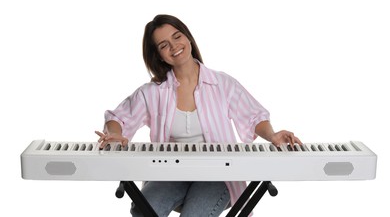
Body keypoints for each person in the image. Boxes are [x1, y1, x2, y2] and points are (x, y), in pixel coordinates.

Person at [95, 14, 302, 217]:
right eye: (164, 45)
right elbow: (118, 117)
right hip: (169, 174)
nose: (174, 46)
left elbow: (254, 116)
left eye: (177, 36)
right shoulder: (153, 92)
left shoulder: (222, 83)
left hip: (218, 175)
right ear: (158, 55)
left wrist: (272, 135)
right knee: (144, 208)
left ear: (187, 37)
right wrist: (114, 133)